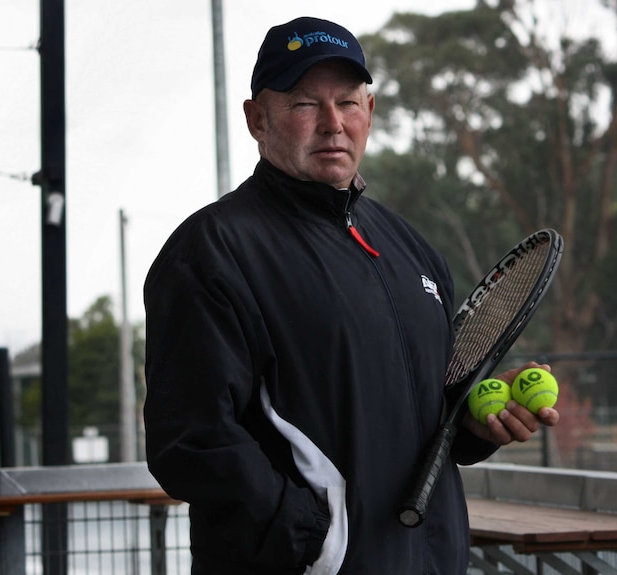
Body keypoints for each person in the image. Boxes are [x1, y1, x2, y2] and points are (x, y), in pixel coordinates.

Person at [143, 16, 559, 575]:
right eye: (303, 104)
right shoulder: (213, 250)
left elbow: (423, 428)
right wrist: (317, 541)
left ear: (370, 111)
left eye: (348, 101)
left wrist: (475, 424)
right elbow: (191, 441)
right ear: (256, 119)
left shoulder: (413, 251)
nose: (333, 123)